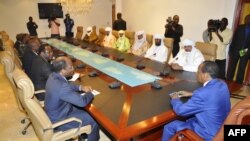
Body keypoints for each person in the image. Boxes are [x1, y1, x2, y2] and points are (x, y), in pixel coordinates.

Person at [162, 61, 231, 141]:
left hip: (209, 134)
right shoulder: (223, 84)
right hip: (222, 128)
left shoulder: (201, 93)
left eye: (198, 71)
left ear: (205, 75)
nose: (196, 73)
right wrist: (192, 94)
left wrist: (175, 99)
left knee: (169, 126)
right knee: (190, 118)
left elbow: (181, 111)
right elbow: (212, 95)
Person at [45, 56, 100, 141]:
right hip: (60, 119)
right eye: (70, 67)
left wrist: (80, 87)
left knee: (86, 111)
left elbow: (67, 86)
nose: (73, 69)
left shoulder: (53, 76)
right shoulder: (61, 86)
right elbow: (82, 102)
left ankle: (84, 134)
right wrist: (90, 93)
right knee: (94, 120)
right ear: (62, 70)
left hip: (57, 111)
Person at [227, 14, 250, 84]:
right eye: (246, 19)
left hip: (245, 51)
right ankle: (228, 80)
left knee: (242, 68)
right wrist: (230, 50)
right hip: (236, 50)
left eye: (249, 19)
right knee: (232, 66)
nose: (247, 20)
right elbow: (234, 39)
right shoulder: (240, 27)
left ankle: (238, 83)